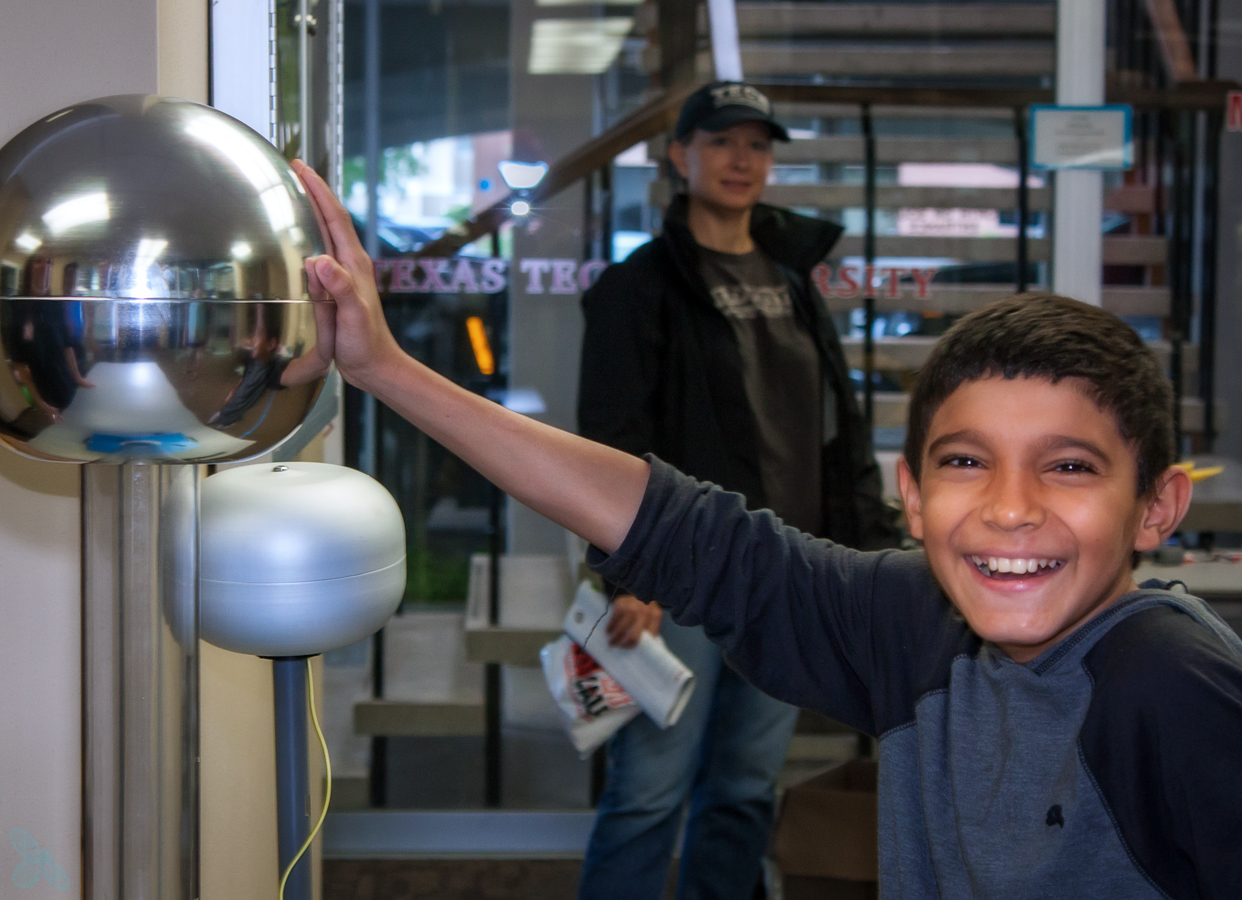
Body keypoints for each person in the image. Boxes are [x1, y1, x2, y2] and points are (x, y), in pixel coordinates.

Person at [291, 156, 1242, 898]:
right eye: (966, 461)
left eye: (1069, 467)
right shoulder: (917, 622)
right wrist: (384, 371)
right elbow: (684, 527)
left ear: (1157, 506)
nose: (1010, 507)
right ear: (912, 498)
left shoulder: (1171, 685)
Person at [575, 81, 897, 900]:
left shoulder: (793, 280)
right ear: (681, 156)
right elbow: (609, 439)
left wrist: (869, 551)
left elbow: (837, 428)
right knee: (649, 792)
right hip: (679, 574)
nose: (741, 159)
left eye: (757, 144)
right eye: (721, 141)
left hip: (787, 573)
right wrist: (630, 572)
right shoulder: (638, 287)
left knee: (744, 791)